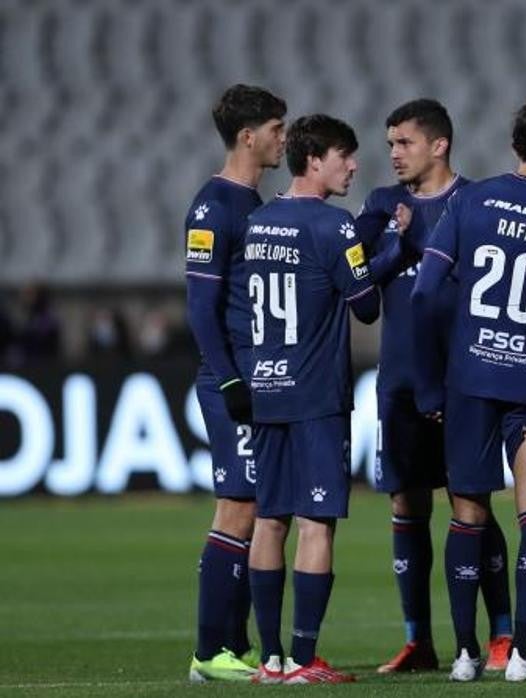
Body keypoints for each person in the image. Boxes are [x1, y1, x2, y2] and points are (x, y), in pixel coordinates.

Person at [410, 96, 526, 682]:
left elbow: (424, 294)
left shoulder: (471, 200)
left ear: (516, 146)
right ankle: (521, 656)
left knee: (467, 516)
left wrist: (433, 380)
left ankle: (465, 654)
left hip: (469, 379)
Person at [360, 99, 515, 675]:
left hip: (461, 378)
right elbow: (360, 284)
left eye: (404, 142)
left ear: (440, 144)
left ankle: (500, 635)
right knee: (405, 503)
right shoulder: (381, 206)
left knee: (471, 500)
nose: (394, 154)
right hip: (398, 380)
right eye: (391, 144)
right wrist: (394, 245)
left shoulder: (474, 203)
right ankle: (417, 640)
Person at [244, 114, 384, 684]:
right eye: (343, 155)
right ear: (313, 160)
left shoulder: (258, 221)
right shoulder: (334, 225)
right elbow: (367, 305)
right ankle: (304, 657)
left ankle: (270, 659)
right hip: (314, 394)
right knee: (316, 523)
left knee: (268, 520)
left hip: (264, 387)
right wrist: (389, 243)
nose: (352, 165)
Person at [183, 84, 286, 683]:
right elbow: (201, 306)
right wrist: (227, 381)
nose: (283, 138)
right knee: (238, 508)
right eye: (276, 128)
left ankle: (234, 643)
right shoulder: (213, 206)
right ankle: (206, 651)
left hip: (261, 375)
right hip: (234, 380)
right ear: (249, 136)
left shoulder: (256, 204)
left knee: (258, 508)